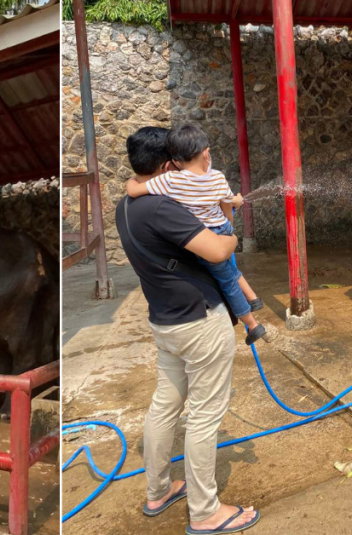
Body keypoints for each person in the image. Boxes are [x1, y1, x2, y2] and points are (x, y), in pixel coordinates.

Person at [116, 126, 259, 534]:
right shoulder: (162, 207)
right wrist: (231, 235)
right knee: (204, 417)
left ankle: (158, 491)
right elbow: (216, 250)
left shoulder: (125, 206)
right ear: (168, 166)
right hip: (199, 321)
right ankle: (205, 512)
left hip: (165, 321)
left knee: (165, 405)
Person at [125, 123, 276, 346]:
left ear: (175, 162)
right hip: (222, 229)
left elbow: (133, 191)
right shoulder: (217, 177)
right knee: (230, 273)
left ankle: (252, 323)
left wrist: (132, 179)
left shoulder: (171, 181)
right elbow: (227, 206)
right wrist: (232, 228)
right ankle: (253, 302)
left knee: (228, 281)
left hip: (207, 236)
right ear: (206, 153)